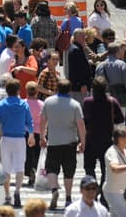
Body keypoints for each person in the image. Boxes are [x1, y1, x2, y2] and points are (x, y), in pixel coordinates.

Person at [41, 79, 86, 210]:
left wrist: (42, 137)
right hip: (70, 142)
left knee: (51, 168)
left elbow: (43, 120)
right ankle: (67, 198)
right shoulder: (75, 104)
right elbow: (80, 125)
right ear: (70, 90)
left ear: (57, 89)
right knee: (69, 171)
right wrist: (83, 142)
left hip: (54, 141)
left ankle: (54, 189)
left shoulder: (48, 102)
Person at [0, 78, 34, 208]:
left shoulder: (1, 104)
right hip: (20, 138)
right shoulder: (23, 104)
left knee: (6, 168)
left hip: (6, 138)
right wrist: (31, 135)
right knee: (20, 166)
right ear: (18, 90)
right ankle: (17, 191)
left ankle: (7, 195)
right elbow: (29, 121)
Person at [83, 77, 124, 192]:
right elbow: (120, 119)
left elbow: (84, 120)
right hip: (107, 140)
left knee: (89, 167)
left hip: (90, 139)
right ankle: (102, 189)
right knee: (106, 169)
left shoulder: (87, 102)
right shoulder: (112, 102)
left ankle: (93, 189)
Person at [104, 126, 126, 217]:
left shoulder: (123, 150)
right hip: (114, 192)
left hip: (121, 192)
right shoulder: (112, 152)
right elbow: (115, 169)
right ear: (120, 138)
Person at [67, 29, 92, 105]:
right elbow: (78, 69)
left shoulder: (76, 48)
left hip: (78, 86)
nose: (85, 38)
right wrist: (82, 84)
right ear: (77, 37)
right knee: (80, 107)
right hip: (79, 88)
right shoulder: (76, 50)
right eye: (83, 36)